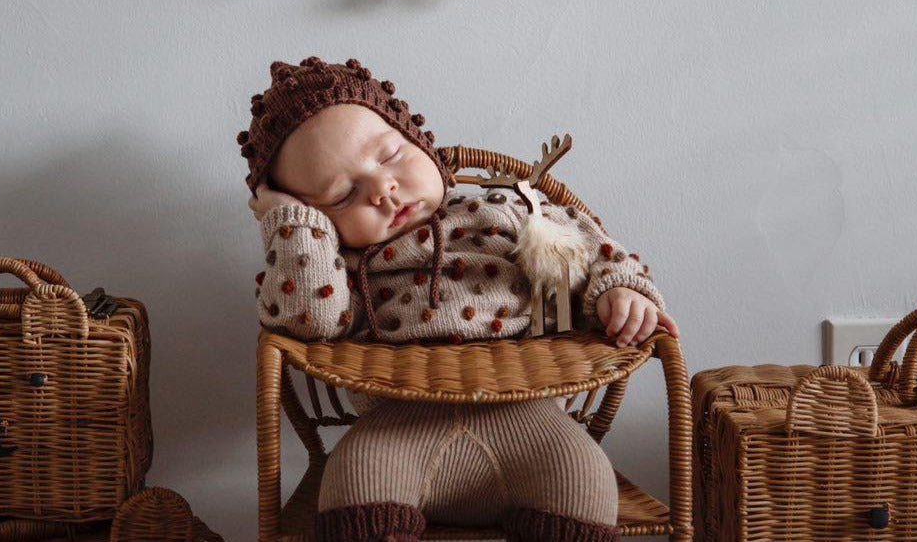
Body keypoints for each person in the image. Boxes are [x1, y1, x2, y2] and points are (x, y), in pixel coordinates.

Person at [240, 57, 679, 542]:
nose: (383, 190)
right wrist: (292, 222)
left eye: (390, 157)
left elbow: (590, 248)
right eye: (342, 195)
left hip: (529, 422)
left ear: (421, 143)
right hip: (395, 432)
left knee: (585, 478)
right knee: (351, 483)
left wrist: (619, 289)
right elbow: (310, 319)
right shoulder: (342, 267)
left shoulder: (501, 211)